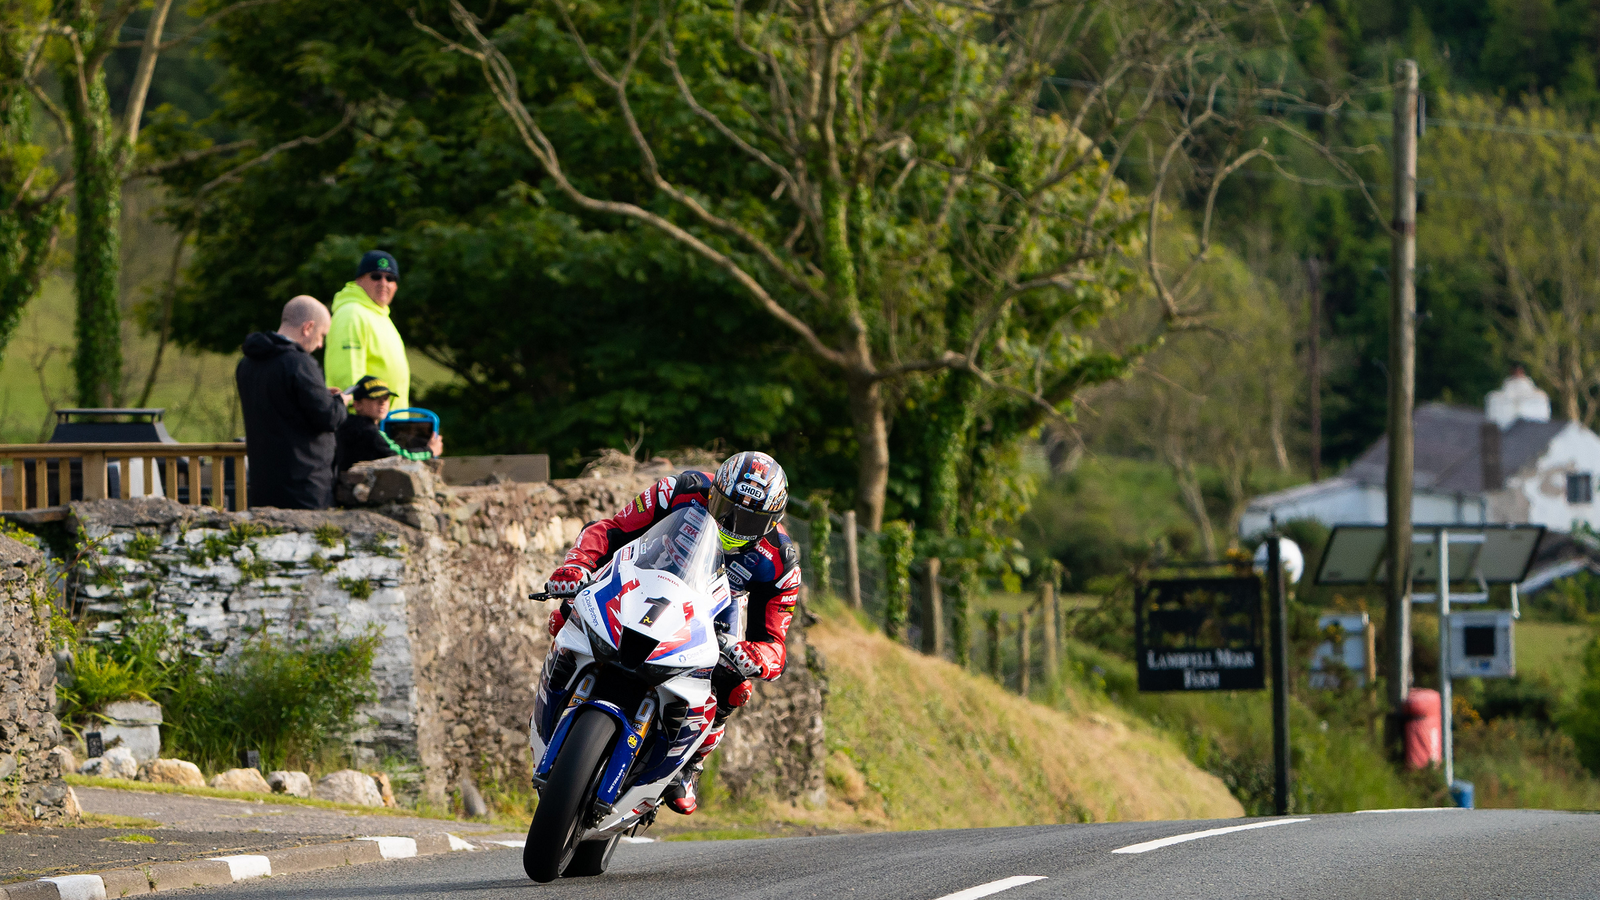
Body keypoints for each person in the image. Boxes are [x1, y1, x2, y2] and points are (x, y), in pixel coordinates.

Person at [534, 451, 800, 816]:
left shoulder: (781, 561)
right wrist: (577, 565)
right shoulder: (677, 489)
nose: (732, 524)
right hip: (645, 577)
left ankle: (689, 766)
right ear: (714, 493)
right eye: (725, 508)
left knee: (736, 685)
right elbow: (609, 530)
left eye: (749, 520)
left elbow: (774, 641)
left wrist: (756, 656)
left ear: (772, 522)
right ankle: (556, 695)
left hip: (716, 611)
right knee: (566, 611)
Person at [236, 296, 349, 509]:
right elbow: (328, 417)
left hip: (263, 484)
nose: (320, 344)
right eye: (321, 335)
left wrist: (319, 393)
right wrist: (339, 402)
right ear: (308, 328)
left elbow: (282, 404)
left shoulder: (248, 363)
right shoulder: (299, 363)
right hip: (305, 486)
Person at [325, 250, 412, 412]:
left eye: (390, 278)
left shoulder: (381, 316)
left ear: (396, 286)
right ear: (359, 280)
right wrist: (361, 421)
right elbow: (347, 378)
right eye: (376, 276)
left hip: (387, 426)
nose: (383, 283)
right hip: (362, 425)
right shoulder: (352, 314)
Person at [334, 375, 443, 477]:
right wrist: (429, 451)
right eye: (374, 398)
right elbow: (399, 457)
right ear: (357, 405)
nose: (382, 402)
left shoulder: (346, 423)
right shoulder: (368, 430)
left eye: (386, 398)